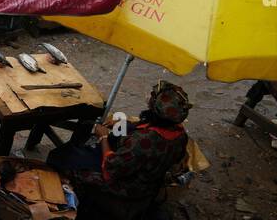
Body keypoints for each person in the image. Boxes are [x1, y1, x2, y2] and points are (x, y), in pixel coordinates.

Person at [48, 81, 191, 201]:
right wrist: (123, 124)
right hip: (146, 174)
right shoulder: (179, 132)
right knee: (87, 131)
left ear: (157, 109)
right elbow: (145, 129)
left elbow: (111, 167)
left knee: (59, 156)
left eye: (153, 97)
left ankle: (61, 197)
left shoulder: (144, 141)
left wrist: (103, 137)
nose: (149, 97)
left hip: (129, 185)